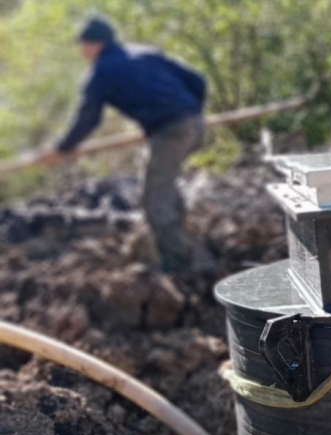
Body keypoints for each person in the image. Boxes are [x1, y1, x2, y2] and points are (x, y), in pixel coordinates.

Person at [39, 16, 211, 274]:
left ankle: (180, 264)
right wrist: (189, 113)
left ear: (96, 44)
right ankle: (182, 239)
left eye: (84, 44)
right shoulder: (145, 53)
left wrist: (62, 148)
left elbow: (88, 118)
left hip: (171, 132)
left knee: (154, 199)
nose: (82, 49)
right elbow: (198, 81)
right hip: (195, 125)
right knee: (162, 182)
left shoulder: (102, 72)